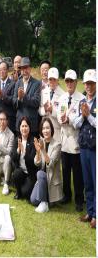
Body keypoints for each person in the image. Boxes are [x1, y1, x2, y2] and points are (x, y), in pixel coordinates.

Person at [57, 69, 85, 212]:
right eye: (67, 81)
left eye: (71, 81)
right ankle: (67, 195)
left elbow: (81, 120)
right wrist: (62, 119)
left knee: (77, 172)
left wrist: (69, 120)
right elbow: (58, 115)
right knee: (66, 170)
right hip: (64, 140)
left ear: (76, 82)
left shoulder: (81, 99)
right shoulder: (62, 98)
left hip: (75, 140)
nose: (69, 84)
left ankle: (79, 199)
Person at [74, 69, 96, 228]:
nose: (88, 86)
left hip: (94, 148)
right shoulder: (81, 101)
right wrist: (82, 116)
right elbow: (75, 123)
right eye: (87, 83)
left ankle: (96, 215)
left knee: (96, 182)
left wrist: (88, 115)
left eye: (91, 83)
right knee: (87, 181)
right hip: (83, 146)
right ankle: (89, 211)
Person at [30, 117, 63, 213]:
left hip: (51, 182)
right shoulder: (41, 141)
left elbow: (51, 164)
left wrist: (43, 150)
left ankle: (45, 203)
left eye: (47, 128)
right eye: (43, 128)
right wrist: (38, 152)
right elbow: (37, 163)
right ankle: (44, 201)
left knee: (40, 173)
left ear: (51, 129)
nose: (45, 131)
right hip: (42, 181)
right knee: (33, 200)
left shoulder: (57, 145)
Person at [12, 57, 41, 138]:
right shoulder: (18, 83)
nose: (24, 71)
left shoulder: (37, 83)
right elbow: (14, 103)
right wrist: (19, 99)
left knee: (31, 149)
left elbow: (36, 102)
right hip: (20, 124)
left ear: (30, 69)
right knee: (20, 148)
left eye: (26, 68)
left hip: (32, 125)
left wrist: (24, 96)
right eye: (22, 68)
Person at [11, 117, 39, 200]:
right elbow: (13, 158)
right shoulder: (17, 140)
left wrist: (24, 152)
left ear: (29, 128)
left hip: (30, 172)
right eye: (22, 126)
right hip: (21, 171)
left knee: (26, 194)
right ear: (19, 128)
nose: (24, 128)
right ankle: (18, 192)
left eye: (26, 126)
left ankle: (24, 189)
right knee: (16, 173)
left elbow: (33, 162)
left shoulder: (34, 141)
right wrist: (18, 151)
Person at [38, 67, 64, 137]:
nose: (52, 82)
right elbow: (39, 109)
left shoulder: (63, 95)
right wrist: (44, 110)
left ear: (58, 80)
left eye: (54, 79)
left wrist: (52, 110)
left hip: (56, 130)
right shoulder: (43, 92)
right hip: (44, 129)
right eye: (50, 79)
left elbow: (63, 113)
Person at [0, 61, 16, 133]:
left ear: (7, 70)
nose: (1, 71)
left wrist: (3, 96)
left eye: (3, 69)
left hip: (9, 120)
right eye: (0, 70)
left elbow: (13, 100)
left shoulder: (13, 84)